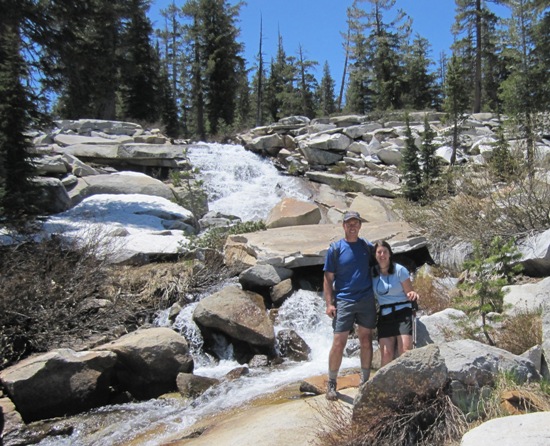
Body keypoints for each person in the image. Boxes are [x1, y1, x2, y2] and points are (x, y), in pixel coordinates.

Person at [323, 211, 376, 401]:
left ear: (360, 226)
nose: (352, 226)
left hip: (366, 299)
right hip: (344, 300)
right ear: (343, 226)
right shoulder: (335, 249)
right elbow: (328, 279)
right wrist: (329, 304)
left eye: (356, 223)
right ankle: (331, 382)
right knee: (339, 342)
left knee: (366, 340)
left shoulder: (367, 247)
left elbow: (383, 264)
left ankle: (365, 381)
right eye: (349, 223)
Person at [372, 240, 419, 367]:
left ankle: (408, 383)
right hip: (385, 315)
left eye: (385, 252)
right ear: (375, 255)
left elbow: (410, 292)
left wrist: (413, 295)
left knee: (405, 350)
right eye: (379, 252)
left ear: (390, 254)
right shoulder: (373, 274)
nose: (382, 255)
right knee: (386, 354)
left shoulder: (400, 270)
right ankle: (383, 386)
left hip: (402, 312)